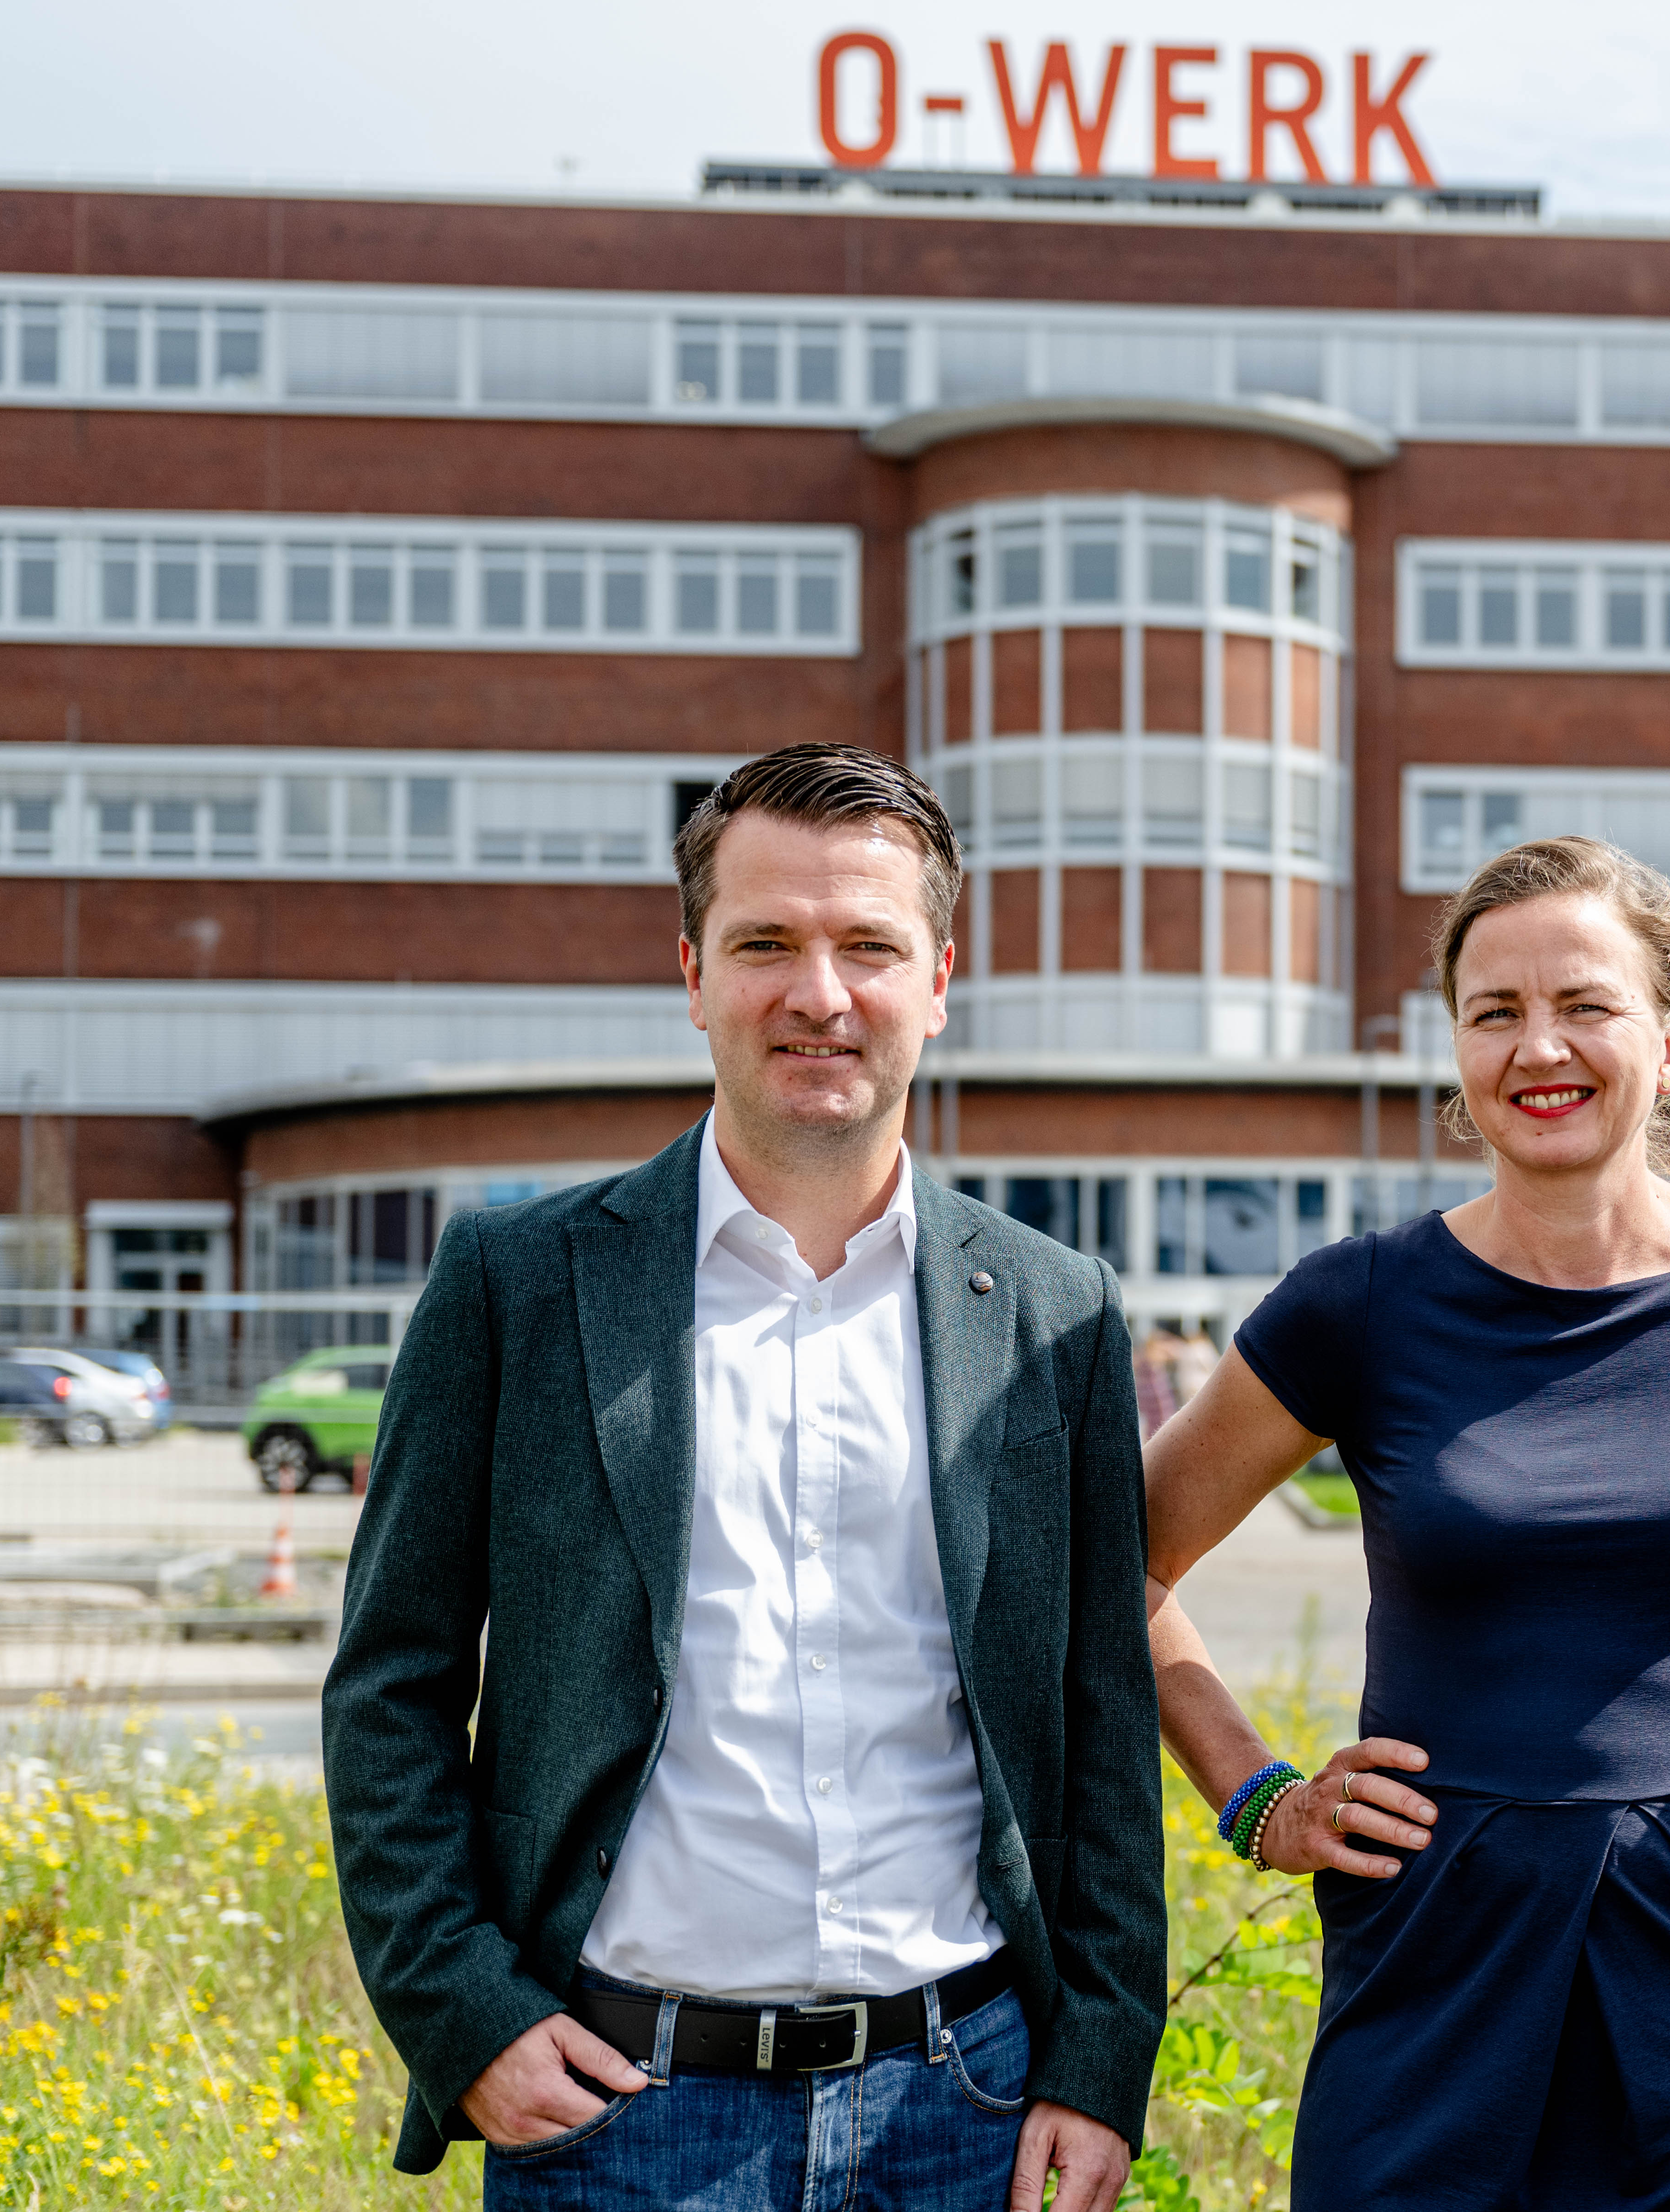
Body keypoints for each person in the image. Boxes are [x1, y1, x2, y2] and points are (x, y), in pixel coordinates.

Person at [323, 743, 1163, 2212]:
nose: (818, 994)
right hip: (617, 2118)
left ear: (940, 977)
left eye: (868, 947)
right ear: (694, 973)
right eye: (766, 942)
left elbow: (1101, 1715)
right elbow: (389, 1682)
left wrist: (1099, 2062)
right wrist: (463, 2014)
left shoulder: (1054, 1312)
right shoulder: (514, 1286)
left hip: (965, 2110)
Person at [1145, 835, 1670, 2210]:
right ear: (1457, 1048)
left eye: (1583, 1005)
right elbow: (1127, 1564)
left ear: (1668, 1040)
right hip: (1435, 1963)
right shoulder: (1355, 1305)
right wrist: (1257, 1801)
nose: (1538, 1047)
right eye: (1495, 1013)